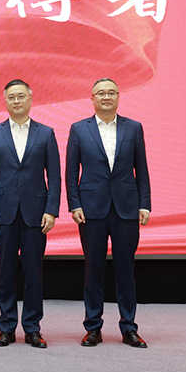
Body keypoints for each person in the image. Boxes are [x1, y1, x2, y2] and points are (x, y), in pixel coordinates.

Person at [65, 77, 151, 348]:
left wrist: (144, 204)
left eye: (111, 92)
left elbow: (142, 169)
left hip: (126, 208)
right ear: (92, 98)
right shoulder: (79, 129)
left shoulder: (133, 128)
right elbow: (71, 172)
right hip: (91, 209)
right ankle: (93, 327)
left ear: (118, 97)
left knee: (126, 269)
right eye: (101, 93)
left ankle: (129, 327)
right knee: (93, 269)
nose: (106, 97)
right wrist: (75, 204)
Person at [0, 79, 61, 348]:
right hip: (3, 213)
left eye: (21, 96)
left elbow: (54, 175)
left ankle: (32, 328)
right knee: (4, 271)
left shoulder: (46, 133)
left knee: (33, 272)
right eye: (11, 97)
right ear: (5, 101)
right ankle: (6, 327)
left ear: (30, 98)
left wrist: (51, 210)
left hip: (36, 213)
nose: (16, 101)